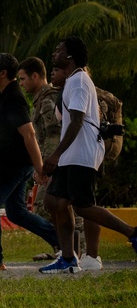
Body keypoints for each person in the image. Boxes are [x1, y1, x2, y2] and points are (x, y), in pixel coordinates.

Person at [40, 36, 137, 274]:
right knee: (53, 201)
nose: (54, 54)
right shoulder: (72, 81)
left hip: (81, 154)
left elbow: (77, 121)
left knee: (83, 206)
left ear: (70, 56)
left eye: (59, 50)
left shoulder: (80, 80)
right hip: (71, 155)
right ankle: (68, 258)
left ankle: (133, 234)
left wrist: (55, 155)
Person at [0, 52, 58, 271]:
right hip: (12, 164)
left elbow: (29, 134)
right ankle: (62, 240)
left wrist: (40, 167)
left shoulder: (14, 98)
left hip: (10, 166)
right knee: (16, 212)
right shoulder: (5, 95)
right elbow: (0, 139)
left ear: (3, 73)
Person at [18, 56, 89, 263]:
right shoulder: (41, 98)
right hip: (50, 160)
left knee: (50, 205)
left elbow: (53, 134)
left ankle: (75, 251)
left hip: (55, 161)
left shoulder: (48, 98)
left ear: (35, 76)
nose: (21, 84)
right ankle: (63, 249)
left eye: (23, 79)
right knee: (49, 206)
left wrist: (45, 166)